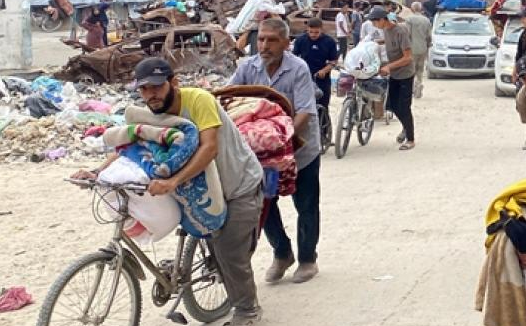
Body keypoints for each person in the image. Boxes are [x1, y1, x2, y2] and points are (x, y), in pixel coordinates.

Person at [76, 58, 265, 325]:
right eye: (144, 89)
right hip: (203, 184)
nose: (151, 95)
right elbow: (132, 147)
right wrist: (97, 172)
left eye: (156, 87)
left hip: (238, 184)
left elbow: (209, 147)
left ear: (173, 83)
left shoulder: (198, 100)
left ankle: (247, 310)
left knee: (228, 250)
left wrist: (173, 181)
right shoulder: (150, 114)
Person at [231, 19, 323, 286]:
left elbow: (305, 109)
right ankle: (282, 253)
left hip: (300, 149)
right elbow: (228, 96)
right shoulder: (247, 67)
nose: (264, 45)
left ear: (285, 42)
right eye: (261, 39)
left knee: (305, 205)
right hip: (261, 155)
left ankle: (308, 259)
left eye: (271, 40)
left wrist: (283, 140)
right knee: (264, 205)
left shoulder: (298, 68)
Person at [370, 7, 417, 150]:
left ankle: (411, 139)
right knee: (392, 106)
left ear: (383, 20)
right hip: (395, 74)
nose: (374, 25)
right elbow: (388, 42)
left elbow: (408, 58)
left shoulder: (400, 31)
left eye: (375, 21)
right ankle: (405, 127)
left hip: (405, 74)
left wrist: (388, 67)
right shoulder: (385, 30)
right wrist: (374, 43)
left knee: (404, 106)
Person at [292, 17, 339, 117]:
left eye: (316, 32)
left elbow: (333, 61)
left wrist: (324, 70)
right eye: (311, 32)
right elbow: (294, 58)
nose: (313, 35)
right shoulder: (300, 40)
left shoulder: (329, 42)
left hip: (322, 78)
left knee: (323, 106)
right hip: (304, 77)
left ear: (321, 30)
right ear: (307, 29)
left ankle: (324, 130)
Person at [405, 2, 433, 99]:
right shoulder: (426, 20)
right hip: (423, 48)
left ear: (412, 9)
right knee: (420, 70)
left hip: (411, 49)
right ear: (420, 9)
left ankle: (413, 87)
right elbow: (429, 36)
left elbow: (407, 34)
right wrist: (428, 45)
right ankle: (419, 83)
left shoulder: (409, 19)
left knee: (411, 70)